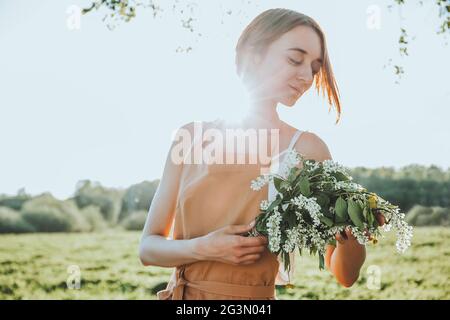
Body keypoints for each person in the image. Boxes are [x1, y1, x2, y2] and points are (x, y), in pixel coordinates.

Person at [139, 8, 368, 300]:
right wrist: (205, 247)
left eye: (314, 67)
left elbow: (345, 275)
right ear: (253, 53)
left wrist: (354, 233)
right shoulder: (191, 137)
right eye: (294, 59)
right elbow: (148, 248)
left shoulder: (308, 149)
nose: (306, 76)